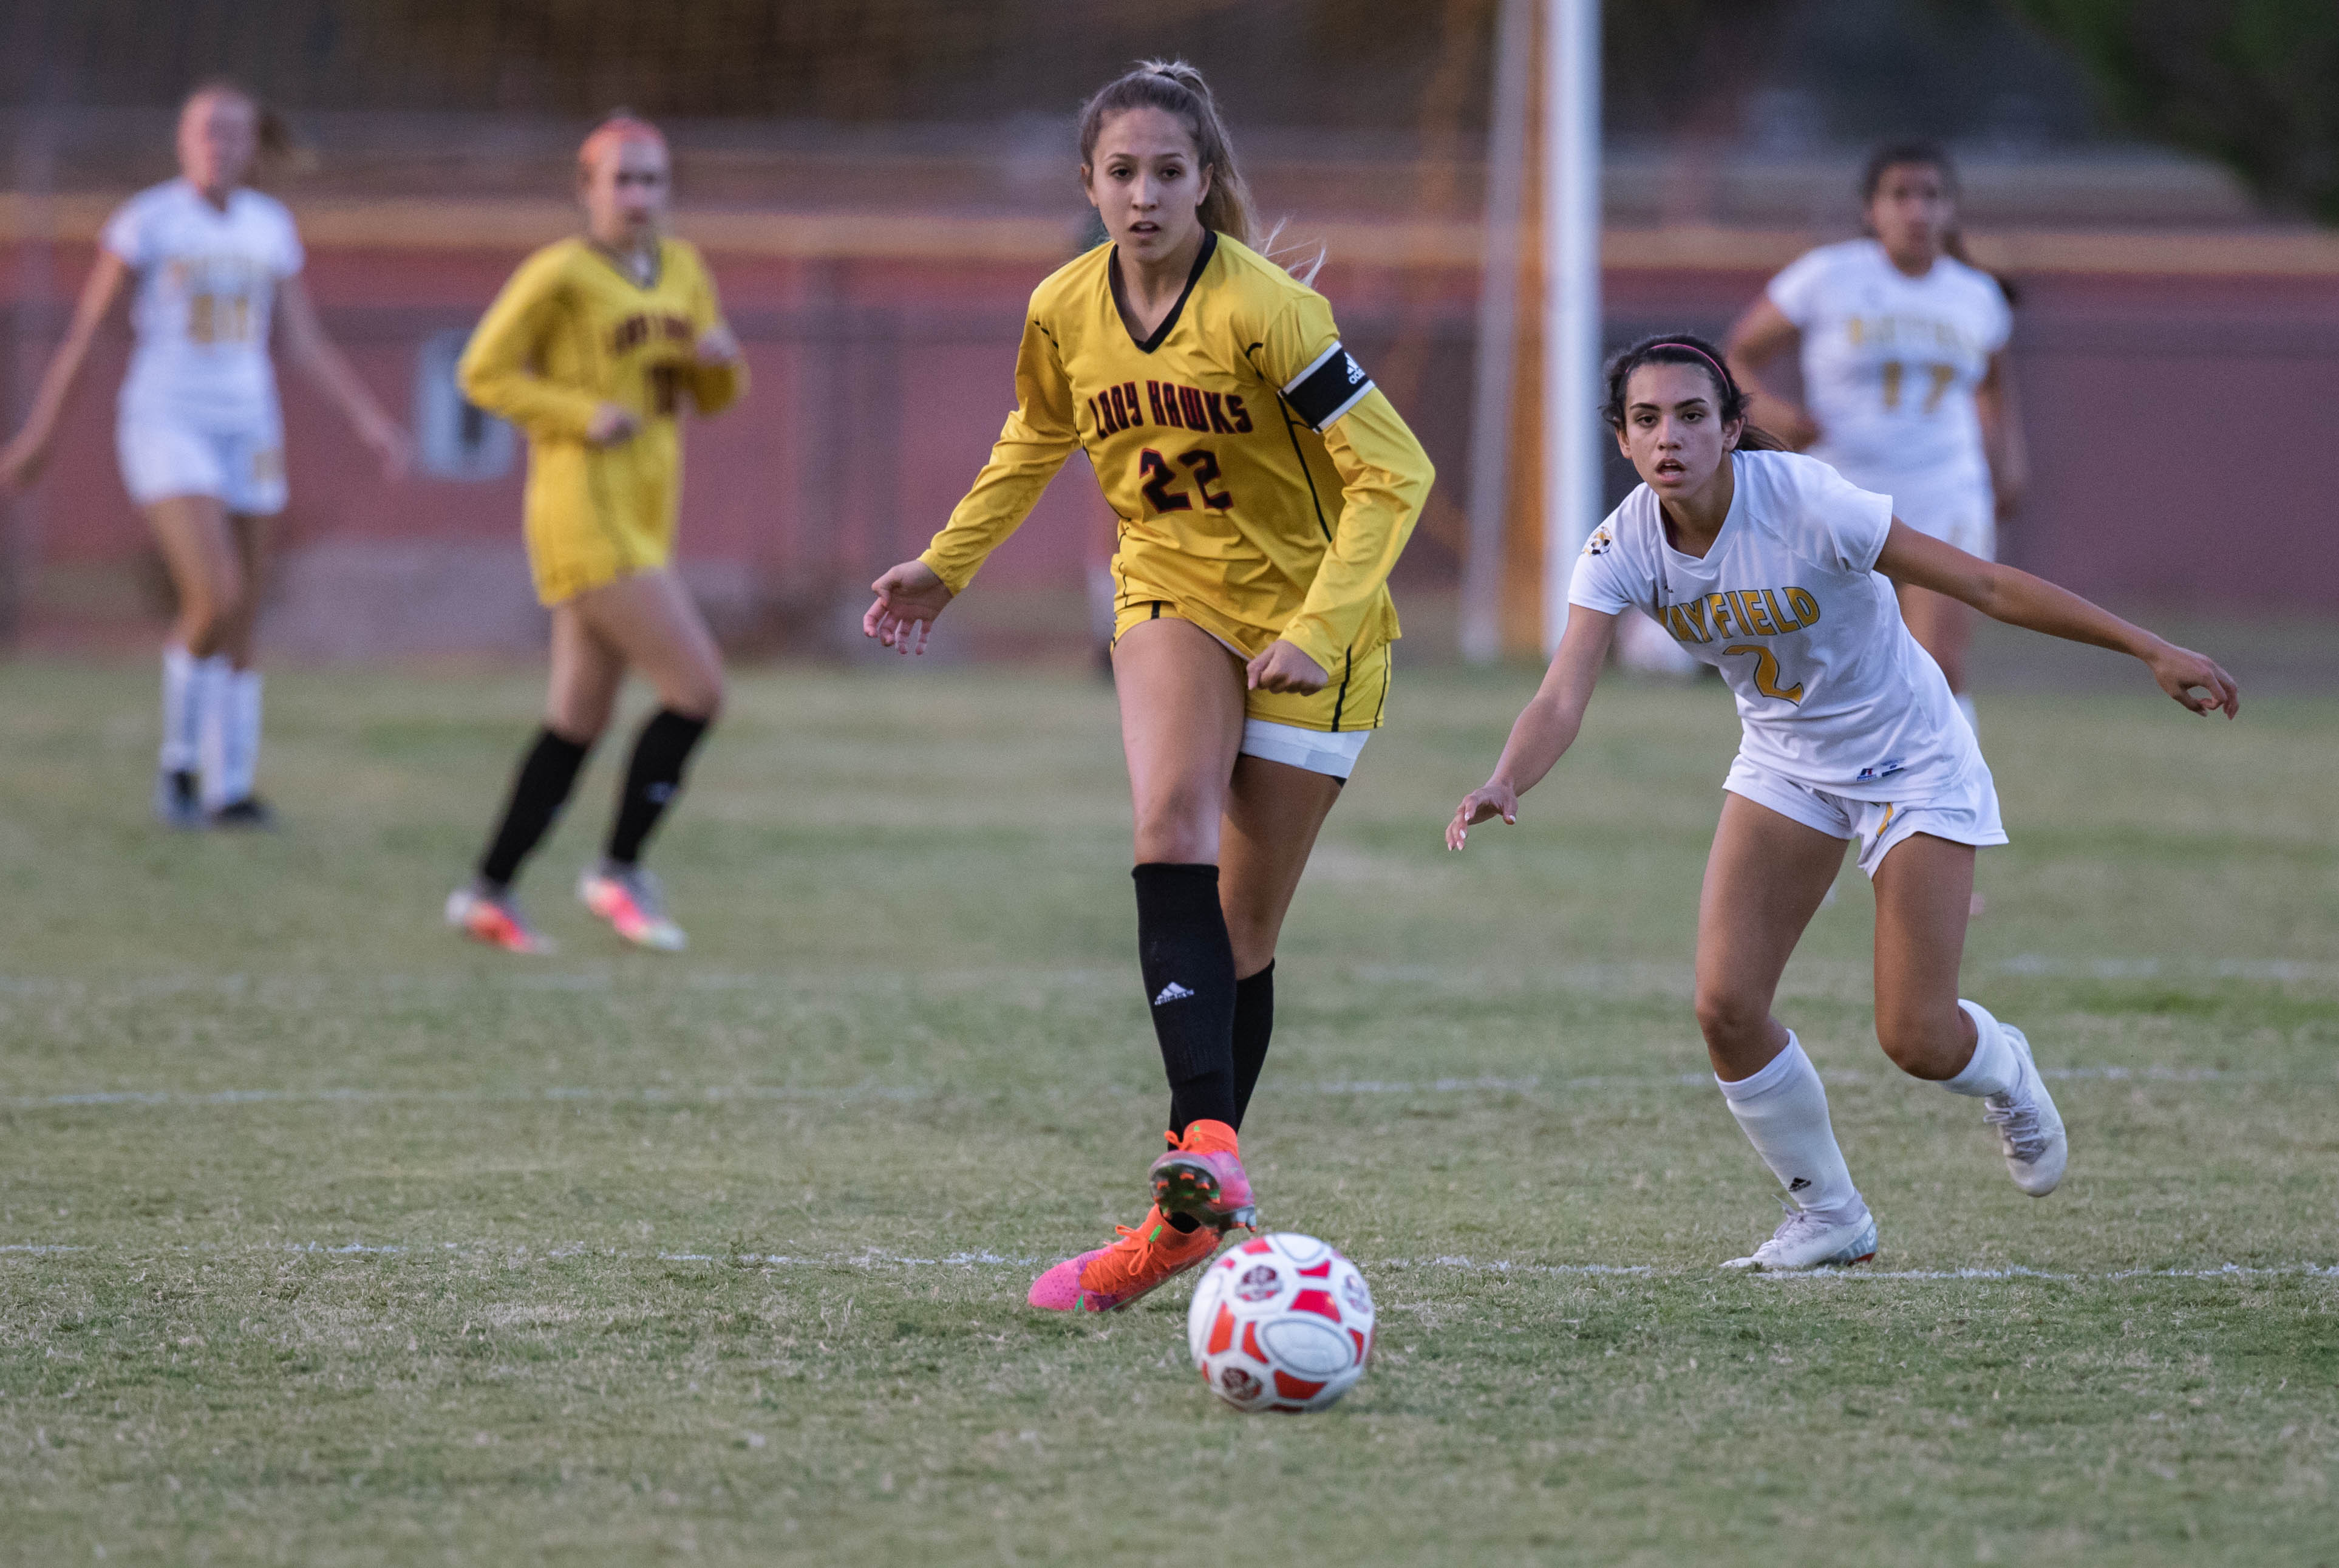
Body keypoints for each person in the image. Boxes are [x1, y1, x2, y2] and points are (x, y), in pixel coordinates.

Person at [1447, 335, 2234, 1270]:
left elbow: (1981, 582)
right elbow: (1562, 693)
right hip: (1786, 764)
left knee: (1916, 1037)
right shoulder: (1620, 546)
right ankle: (1831, 1216)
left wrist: (2149, 647)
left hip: (1910, 758)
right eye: (1647, 419)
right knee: (1725, 1006)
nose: (1670, 438)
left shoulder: (1808, 502)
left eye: (1693, 415)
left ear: (1732, 427)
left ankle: (2005, 1069)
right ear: (1620, 439)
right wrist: (1505, 776)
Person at [863, 61, 1432, 1312]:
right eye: (1119, 173)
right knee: (1164, 822)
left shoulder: (1270, 312)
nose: (1142, 194)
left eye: (1167, 172)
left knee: (1241, 933)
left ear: (1204, 182)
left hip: (1316, 629)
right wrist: (945, 568)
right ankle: (1210, 1153)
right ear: (1088, 184)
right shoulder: (1063, 306)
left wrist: (1320, 627)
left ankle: (1178, 1222)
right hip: (1167, 591)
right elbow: (1034, 437)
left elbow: (1396, 472)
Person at [0, 81, 409, 828]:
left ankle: (233, 789)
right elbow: (88, 336)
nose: (216, 145)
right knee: (212, 594)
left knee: (245, 610)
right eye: (202, 131)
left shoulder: (268, 226)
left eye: (230, 132)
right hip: (167, 421)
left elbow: (304, 339)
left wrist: (368, 417)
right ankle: (179, 768)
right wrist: (37, 440)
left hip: (249, 426)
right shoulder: (149, 222)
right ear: (182, 141)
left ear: (252, 144)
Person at [443, 114, 745, 955]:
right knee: (699, 690)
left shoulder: (682, 268)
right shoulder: (560, 274)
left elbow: (712, 398)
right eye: (623, 180)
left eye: (653, 180)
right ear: (587, 191)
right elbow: (482, 371)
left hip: (648, 514)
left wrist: (719, 362)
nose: (639, 195)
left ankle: (487, 890)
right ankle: (618, 869)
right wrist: (579, 413)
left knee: (577, 718)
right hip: (581, 514)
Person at [1726, 141, 2024, 735]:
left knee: (1937, 664)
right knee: (1835, 663)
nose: (1917, 211)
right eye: (1900, 195)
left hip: (1946, 490)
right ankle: (1832, 790)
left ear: (1950, 211)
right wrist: (1772, 412)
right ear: (1871, 210)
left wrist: (2009, 460)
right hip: (1843, 490)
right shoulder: (1827, 276)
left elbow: (1993, 385)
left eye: (1932, 196)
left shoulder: (1976, 294)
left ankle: (1943, 802)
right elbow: (1738, 353)